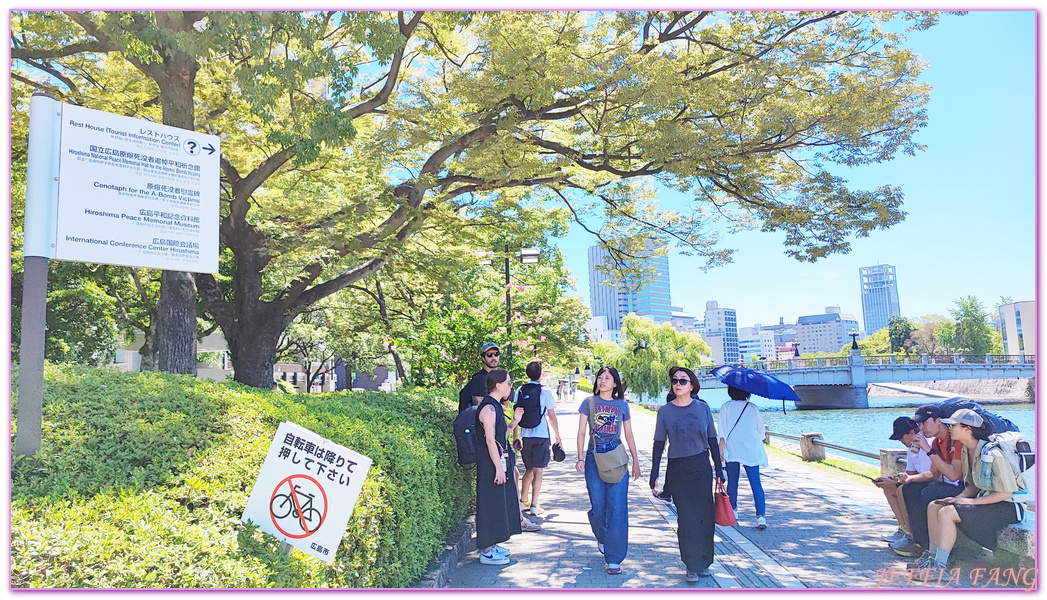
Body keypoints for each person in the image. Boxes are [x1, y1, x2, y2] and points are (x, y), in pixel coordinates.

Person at [910, 409, 1025, 570]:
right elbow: (973, 485)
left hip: (1007, 506)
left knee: (947, 512)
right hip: (988, 501)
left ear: (967, 429)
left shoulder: (993, 453)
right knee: (935, 505)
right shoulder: (966, 450)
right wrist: (960, 497)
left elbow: (1005, 493)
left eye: (953, 425)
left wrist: (971, 501)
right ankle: (933, 557)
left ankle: (940, 565)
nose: (949, 427)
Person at [649, 366, 725, 582]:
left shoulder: (703, 408)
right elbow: (659, 443)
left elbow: (712, 439)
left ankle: (704, 561)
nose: (678, 384)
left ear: (692, 385)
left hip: (701, 467)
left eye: (683, 381)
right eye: (675, 381)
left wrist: (719, 470)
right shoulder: (665, 411)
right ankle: (690, 564)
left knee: (705, 517)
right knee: (687, 518)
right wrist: (654, 473)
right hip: (677, 469)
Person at [576, 366, 641, 575]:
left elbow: (629, 434)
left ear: (615, 384)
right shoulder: (589, 402)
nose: (602, 381)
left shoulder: (622, 405)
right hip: (594, 458)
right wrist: (579, 457)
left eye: (607, 378)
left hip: (616, 458)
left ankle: (614, 558)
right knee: (599, 507)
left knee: (618, 509)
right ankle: (603, 537)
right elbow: (581, 432)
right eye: (600, 377)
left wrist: (636, 461)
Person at [891, 404, 964, 557]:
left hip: (963, 488)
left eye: (925, 423)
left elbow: (954, 476)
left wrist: (928, 450)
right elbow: (932, 474)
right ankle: (920, 543)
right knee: (908, 489)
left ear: (938, 421)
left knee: (929, 493)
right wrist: (910, 478)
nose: (922, 428)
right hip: (945, 484)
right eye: (919, 424)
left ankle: (936, 549)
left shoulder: (955, 440)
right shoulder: (936, 442)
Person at [474, 369, 522, 565]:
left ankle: (492, 545)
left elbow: (501, 434)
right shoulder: (489, 408)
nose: (511, 387)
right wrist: (499, 468)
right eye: (509, 383)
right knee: (490, 503)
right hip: (490, 464)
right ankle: (486, 550)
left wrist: (514, 423)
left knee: (498, 502)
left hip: (497, 461)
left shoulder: (496, 407)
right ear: (498, 385)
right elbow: (490, 441)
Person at [512, 360, 562, 517]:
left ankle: (522, 500)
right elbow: (552, 416)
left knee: (528, 469)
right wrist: (557, 435)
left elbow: (516, 415)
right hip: (541, 435)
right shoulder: (545, 392)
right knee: (538, 470)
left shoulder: (520, 390)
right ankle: (534, 505)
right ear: (541, 374)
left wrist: (516, 436)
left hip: (526, 435)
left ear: (527, 374)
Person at [873, 417, 931, 545]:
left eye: (901, 437)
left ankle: (910, 536)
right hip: (917, 483)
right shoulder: (912, 450)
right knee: (888, 487)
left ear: (911, 433)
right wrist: (894, 479)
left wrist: (898, 482)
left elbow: (930, 475)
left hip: (929, 484)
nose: (900, 441)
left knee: (902, 490)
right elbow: (910, 474)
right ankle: (903, 528)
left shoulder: (927, 445)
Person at [718, 385, 768, 530]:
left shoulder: (725, 407)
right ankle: (761, 517)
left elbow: (722, 431)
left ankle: (733, 512)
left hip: (732, 449)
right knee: (756, 483)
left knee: (733, 482)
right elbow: (761, 432)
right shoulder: (752, 408)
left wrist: (720, 450)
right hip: (751, 449)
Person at [459, 342, 500, 413]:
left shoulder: (498, 378)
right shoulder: (480, 379)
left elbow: (505, 404)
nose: (493, 358)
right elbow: (481, 407)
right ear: (483, 358)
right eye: (489, 355)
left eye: (496, 354)